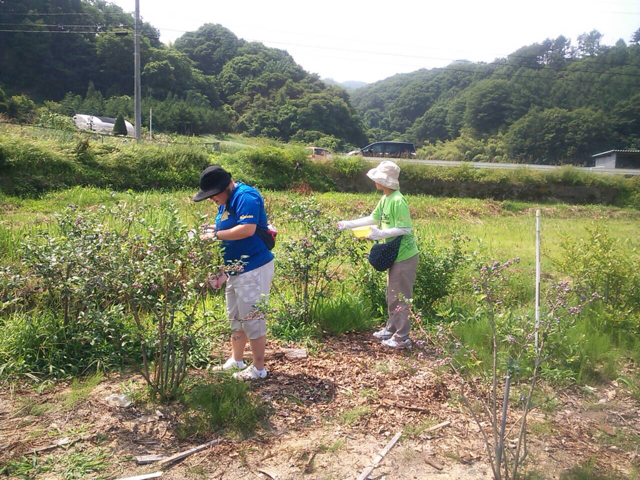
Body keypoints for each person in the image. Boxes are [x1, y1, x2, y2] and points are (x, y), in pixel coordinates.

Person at [193, 165, 275, 380]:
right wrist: (214, 230)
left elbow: (247, 229)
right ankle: (236, 360)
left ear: (225, 186)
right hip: (235, 270)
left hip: (253, 268)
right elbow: (229, 227)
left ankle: (258, 368)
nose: (211, 199)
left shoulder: (245, 196)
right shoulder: (226, 200)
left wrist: (216, 235)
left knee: (253, 318)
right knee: (236, 317)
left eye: (213, 195)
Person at [337, 161, 419, 349]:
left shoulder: (398, 200)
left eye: (378, 178)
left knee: (400, 296)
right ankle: (391, 328)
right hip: (394, 253)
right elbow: (373, 218)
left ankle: (402, 337)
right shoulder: (386, 198)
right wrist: (348, 224)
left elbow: (405, 228)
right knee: (392, 294)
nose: (375, 181)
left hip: (404, 255)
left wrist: (380, 234)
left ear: (386, 181)